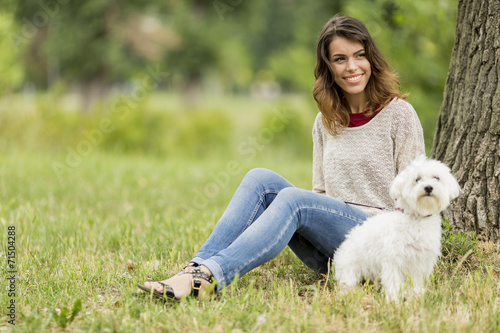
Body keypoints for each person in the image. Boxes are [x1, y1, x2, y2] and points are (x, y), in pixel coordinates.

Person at [137, 15, 425, 300]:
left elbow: (417, 200)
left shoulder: (399, 114)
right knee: (260, 178)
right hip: (334, 255)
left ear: (371, 59)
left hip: (381, 248)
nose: (352, 67)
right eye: (339, 59)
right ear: (328, 67)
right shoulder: (325, 122)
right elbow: (321, 193)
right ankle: (193, 270)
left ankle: (209, 278)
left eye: (359, 55)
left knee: (294, 200)